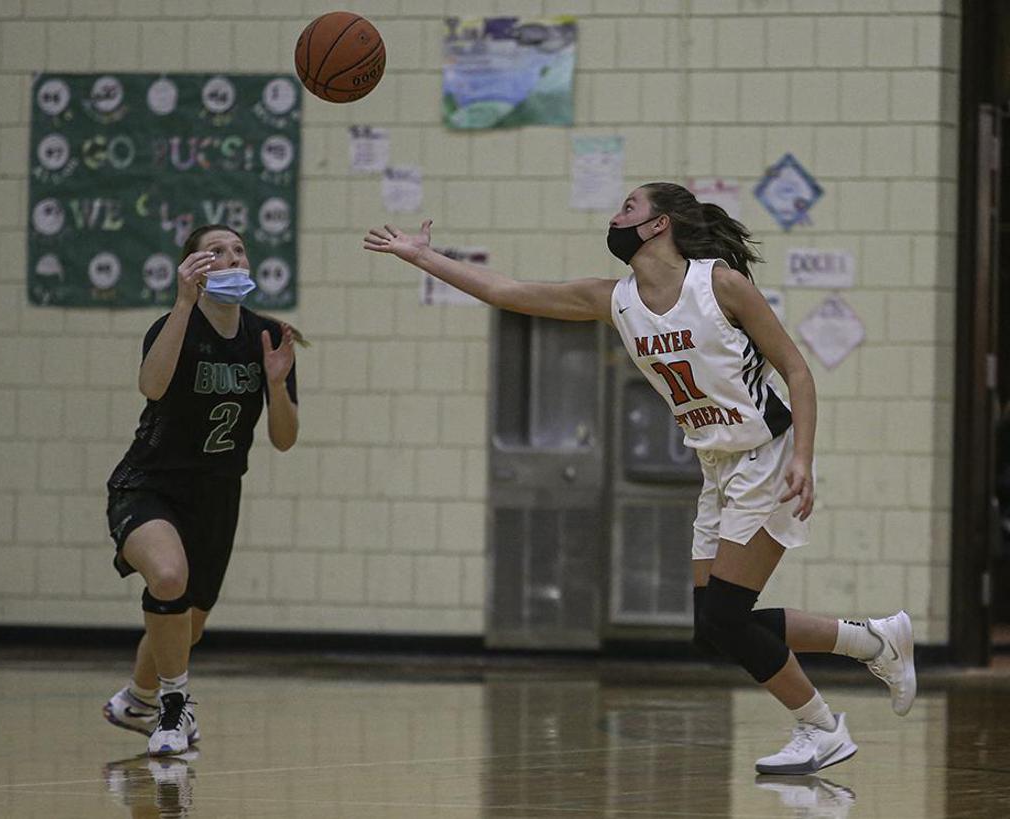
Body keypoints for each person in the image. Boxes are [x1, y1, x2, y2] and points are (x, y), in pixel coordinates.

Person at [363, 183, 916, 775]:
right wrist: (423, 256)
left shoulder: (721, 284)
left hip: (767, 454)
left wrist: (802, 458)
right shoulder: (614, 299)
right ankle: (872, 641)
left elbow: (798, 374)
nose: (615, 215)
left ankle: (822, 726)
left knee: (728, 618)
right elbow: (508, 291)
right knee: (714, 630)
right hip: (717, 466)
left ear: (659, 225)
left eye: (628, 206)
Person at [102, 224, 301, 756]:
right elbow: (152, 386)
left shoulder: (266, 336)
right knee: (168, 577)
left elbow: (283, 439)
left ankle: (138, 699)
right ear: (194, 267)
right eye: (216, 251)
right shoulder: (172, 326)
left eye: (239, 250)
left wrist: (277, 385)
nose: (232, 257)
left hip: (217, 494)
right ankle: (174, 706)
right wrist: (183, 304)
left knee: (185, 629)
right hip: (150, 482)